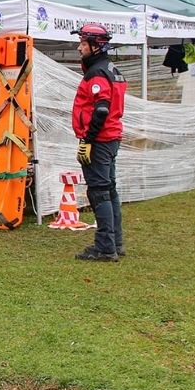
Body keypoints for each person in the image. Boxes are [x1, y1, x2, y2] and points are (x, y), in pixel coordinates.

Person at [71, 23, 127, 261]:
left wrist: (88, 139)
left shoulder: (97, 73)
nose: (79, 48)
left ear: (95, 46)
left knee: (99, 193)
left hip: (101, 140)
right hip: (111, 138)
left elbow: (101, 108)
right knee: (109, 191)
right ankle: (116, 241)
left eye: (83, 44)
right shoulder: (112, 69)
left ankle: (105, 247)